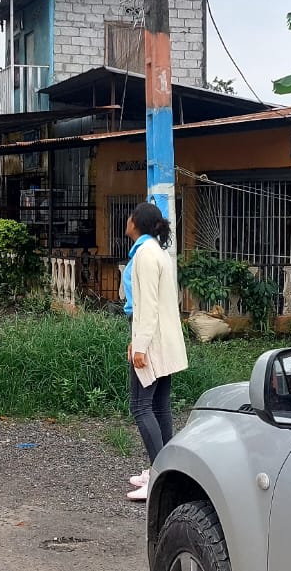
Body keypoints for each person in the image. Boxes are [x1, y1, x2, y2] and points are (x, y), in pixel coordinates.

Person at [122, 202, 189, 502]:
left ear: (136, 222)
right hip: (162, 340)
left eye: (130, 216)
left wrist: (140, 346)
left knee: (140, 406)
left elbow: (146, 306)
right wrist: (137, 340)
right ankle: (164, 471)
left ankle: (160, 477)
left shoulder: (145, 255)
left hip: (153, 342)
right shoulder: (156, 252)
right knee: (160, 406)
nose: (127, 219)